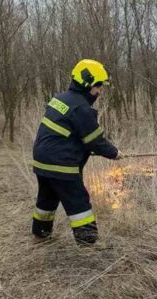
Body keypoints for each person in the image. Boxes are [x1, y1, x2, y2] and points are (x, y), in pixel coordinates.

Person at [31, 59, 123, 245]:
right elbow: (95, 140)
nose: (99, 91)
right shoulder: (81, 108)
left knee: (46, 199)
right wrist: (114, 153)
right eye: (98, 86)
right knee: (79, 202)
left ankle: (40, 234)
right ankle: (89, 243)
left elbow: (67, 133)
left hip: (42, 160)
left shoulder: (60, 99)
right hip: (61, 164)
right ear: (88, 83)